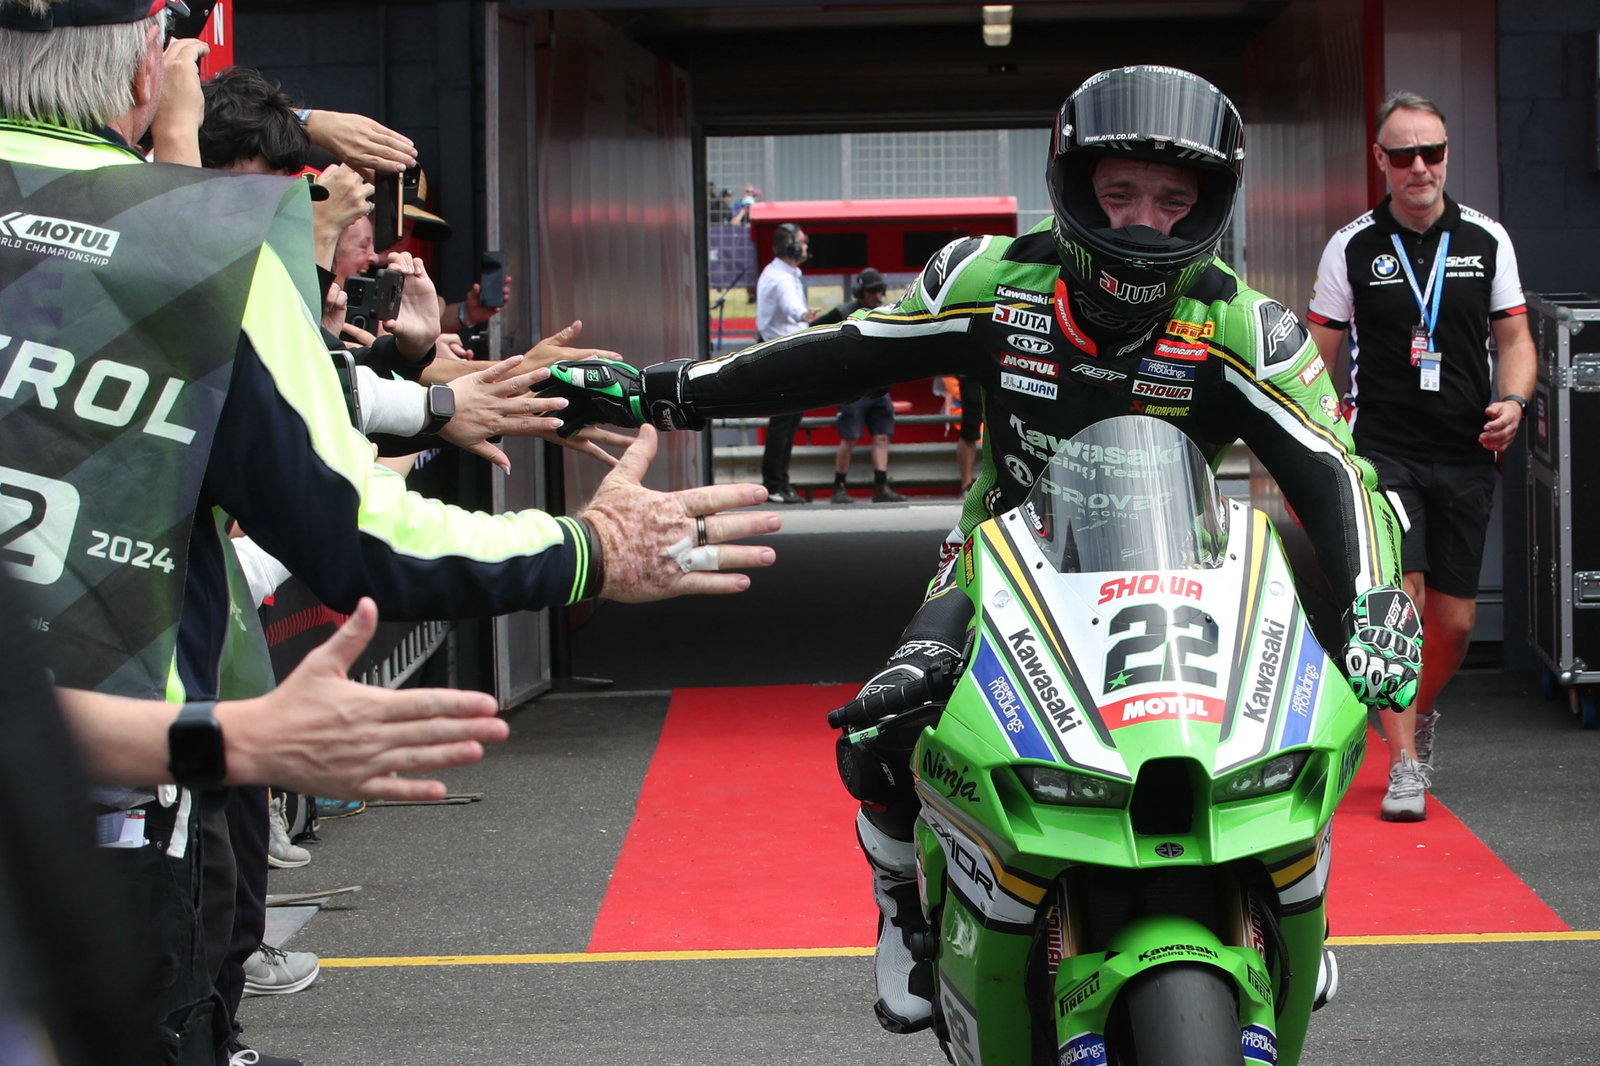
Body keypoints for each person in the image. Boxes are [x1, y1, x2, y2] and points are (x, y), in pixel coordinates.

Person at [542, 65, 1425, 1035]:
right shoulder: (992, 280)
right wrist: (659, 390)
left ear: (1210, 207)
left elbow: (1337, 472)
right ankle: (902, 909)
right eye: (1118, 191)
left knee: (1304, 720)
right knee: (881, 731)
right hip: (1001, 556)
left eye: (1174, 201)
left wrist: (1376, 596)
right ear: (1071, 179)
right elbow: (837, 351)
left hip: (1186, 568)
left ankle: (1283, 890)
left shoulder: (1244, 326)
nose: (1141, 223)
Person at [0, 5, 779, 1064]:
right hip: (95, 827)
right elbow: (358, 533)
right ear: (150, 62)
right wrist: (591, 547)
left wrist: (433, 401)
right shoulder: (193, 241)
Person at [1306, 90, 1536, 822]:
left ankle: (1416, 710)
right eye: (1401, 154)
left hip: (1467, 452)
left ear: (1445, 154)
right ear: (1380, 160)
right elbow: (1320, 352)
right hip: (1385, 453)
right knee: (1400, 602)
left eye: (1430, 152)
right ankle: (1402, 760)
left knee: (1456, 621)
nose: (1418, 167)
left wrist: (1517, 402)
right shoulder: (1352, 246)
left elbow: (1516, 342)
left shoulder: (1486, 240)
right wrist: (1326, 428)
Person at [813, 268, 905, 503]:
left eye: (880, 290)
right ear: (860, 292)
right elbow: (815, 331)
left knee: (882, 436)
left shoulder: (886, 313)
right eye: (872, 291)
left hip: (878, 385)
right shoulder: (843, 312)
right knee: (850, 437)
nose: (877, 295)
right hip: (853, 387)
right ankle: (839, 487)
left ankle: (881, 487)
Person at [753, 222, 819, 503]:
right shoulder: (780, 278)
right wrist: (805, 315)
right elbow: (792, 307)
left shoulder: (786, 273)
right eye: (802, 241)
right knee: (783, 420)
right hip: (780, 352)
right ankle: (775, 485)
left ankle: (781, 483)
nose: (805, 246)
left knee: (790, 420)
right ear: (791, 246)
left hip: (786, 350)